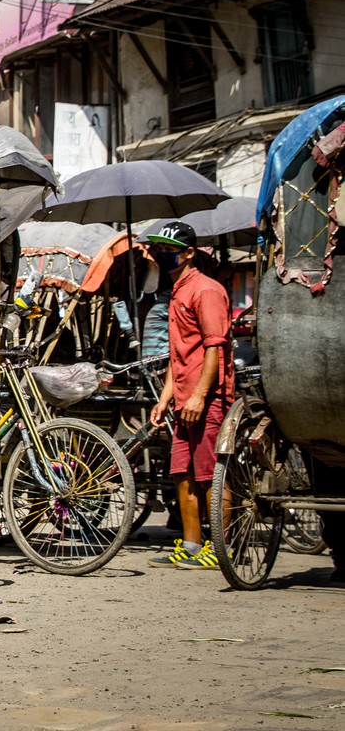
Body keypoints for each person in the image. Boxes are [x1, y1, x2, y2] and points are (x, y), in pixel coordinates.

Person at [146, 221, 235, 571]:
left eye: (168, 250)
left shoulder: (206, 290)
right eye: (158, 250)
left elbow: (215, 347)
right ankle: (192, 544)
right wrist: (166, 398)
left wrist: (199, 395)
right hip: (183, 397)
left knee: (210, 474)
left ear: (188, 253)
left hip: (207, 398)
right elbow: (178, 354)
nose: (161, 256)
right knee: (182, 473)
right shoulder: (176, 293)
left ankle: (221, 546)